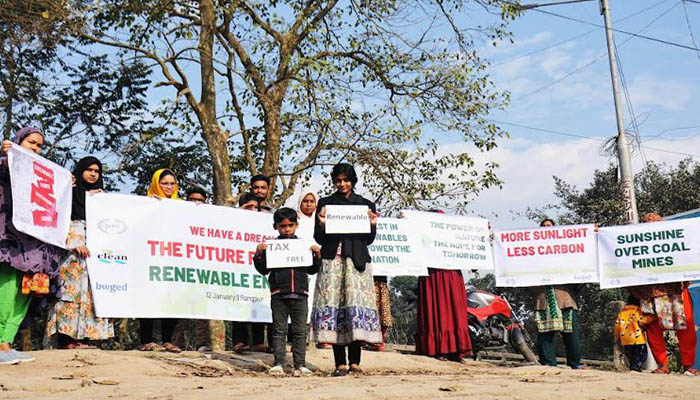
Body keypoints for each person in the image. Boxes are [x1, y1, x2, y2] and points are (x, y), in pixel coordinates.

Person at [0, 127, 64, 364]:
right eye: (31, 143)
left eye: (40, 146)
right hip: (7, 239)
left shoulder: (45, 178)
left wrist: (66, 186)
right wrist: (5, 158)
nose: (35, 148)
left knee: (24, 292)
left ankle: (7, 342)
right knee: (5, 290)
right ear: (18, 142)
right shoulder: (3, 165)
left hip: (34, 246)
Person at [311, 163, 382, 376]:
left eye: (346, 180)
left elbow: (368, 240)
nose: (342, 184)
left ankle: (355, 362)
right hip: (332, 261)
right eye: (338, 180)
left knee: (354, 309)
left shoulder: (365, 204)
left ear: (353, 181)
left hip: (356, 263)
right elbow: (319, 238)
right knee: (335, 309)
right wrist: (322, 222)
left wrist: (372, 224)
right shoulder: (326, 204)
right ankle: (339, 363)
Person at [46, 156, 114, 349]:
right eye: (89, 170)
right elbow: (56, 218)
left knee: (92, 293)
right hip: (70, 251)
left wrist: (100, 201)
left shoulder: (101, 198)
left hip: (96, 252)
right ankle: (66, 338)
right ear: (80, 170)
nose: (93, 174)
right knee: (70, 292)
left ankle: (86, 338)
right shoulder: (68, 193)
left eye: (97, 171)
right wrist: (73, 241)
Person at [627, 212, 698, 375]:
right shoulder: (637, 241)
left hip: (675, 288)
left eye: (655, 223)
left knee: (685, 326)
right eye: (647, 223)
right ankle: (662, 365)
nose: (651, 225)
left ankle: (689, 366)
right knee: (653, 327)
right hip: (648, 290)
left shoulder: (672, 238)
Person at [254, 207, 321, 376]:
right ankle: (279, 364)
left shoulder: (303, 246)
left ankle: (300, 364)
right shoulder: (272, 247)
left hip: (300, 294)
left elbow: (312, 270)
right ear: (276, 226)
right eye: (283, 226)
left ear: (296, 225)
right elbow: (263, 270)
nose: (287, 229)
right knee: (279, 330)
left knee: (300, 331)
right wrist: (258, 255)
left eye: (290, 225)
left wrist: (317, 256)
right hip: (278, 294)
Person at [415, 210, 472, 363]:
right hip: (432, 274)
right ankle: (437, 348)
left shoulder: (455, 234)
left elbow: (471, 248)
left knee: (455, 311)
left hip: (452, 274)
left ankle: (456, 350)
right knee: (436, 309)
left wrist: (481, 235)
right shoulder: (421, 233)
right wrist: (404, 222)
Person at [530, 218, 583, 369]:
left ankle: (575, 363)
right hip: (543, 296)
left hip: (564, 295)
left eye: (549, 226)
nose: (547, 228)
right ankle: (548, 363)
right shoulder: (532, 248)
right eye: (544, 226)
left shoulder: (565, 246)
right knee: (545, 333)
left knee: (571, 333)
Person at [139, 169, 181, 353]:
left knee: (170, 299)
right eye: (165, 183)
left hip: (173, 258)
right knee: (148, 298)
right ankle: (146, 340)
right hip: (150, 257)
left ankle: (167, 340)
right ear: (156, 183)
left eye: (172, 183)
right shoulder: (145, 204)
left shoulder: (181, 206)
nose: (169, 187)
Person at [614, 296, 655, 372]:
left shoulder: (622, 312)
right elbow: (642, 321)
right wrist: (652, 317)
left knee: (630, 354)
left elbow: (617, 325)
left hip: (625, 338)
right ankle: (636, 366)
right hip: (637, 338)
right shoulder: (637, 311)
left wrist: (618, 336)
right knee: (642, 354)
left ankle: (633, 367)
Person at [368, 276, 392, 352]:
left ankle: (379, 342)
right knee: (372, 313)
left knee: (383, 313)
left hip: (380, 282)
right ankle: (374, 342)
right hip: (370, 281)